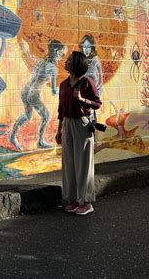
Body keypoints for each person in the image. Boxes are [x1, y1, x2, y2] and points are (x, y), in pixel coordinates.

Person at [55, 51, 102, 215]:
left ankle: (86, 202)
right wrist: (59, 129)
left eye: (69, 60)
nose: (66, 61)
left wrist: (82, 100)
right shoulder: (64, 84)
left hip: (82, 124)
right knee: (69, 163)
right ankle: (73, 198)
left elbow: (97, 103)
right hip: (67, 123)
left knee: (83, 164)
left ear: (76, 63)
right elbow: (61, 109)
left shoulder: (87, 82)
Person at [9, 39, 66, 150]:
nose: (62, 55)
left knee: (27, 116)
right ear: (55, 50)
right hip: (33, 94)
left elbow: (35, 73)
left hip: (25, 91)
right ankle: (40, 141)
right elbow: (54, 91)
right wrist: (62, 90)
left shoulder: (41, 62)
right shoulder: (53, 68)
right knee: (46, 116)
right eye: (61, 52)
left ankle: (12, 136)